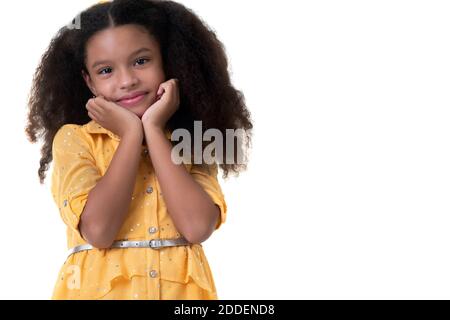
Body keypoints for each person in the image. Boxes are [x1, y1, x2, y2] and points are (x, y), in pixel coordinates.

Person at [24, 0, 253, 300]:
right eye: (106, 70)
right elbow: (99, 231)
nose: (127, 80)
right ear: (89, 81)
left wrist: (154, 130)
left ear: (167, 61)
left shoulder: (192, 140)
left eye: (141, 61)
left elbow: (197, 227)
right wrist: (132, 134)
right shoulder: (75, 140)